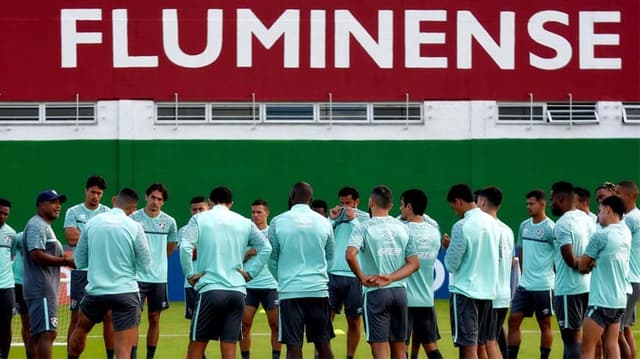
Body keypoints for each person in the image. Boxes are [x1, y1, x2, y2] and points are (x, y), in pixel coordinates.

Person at [180, 186, 271, 359]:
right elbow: (266, 248)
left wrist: (190, 274)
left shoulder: (199, 219)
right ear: (231, 203)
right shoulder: (245, 222)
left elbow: (185, 247)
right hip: (237, 292)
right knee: (229, 348)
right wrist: (250, 273)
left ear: (211, 202)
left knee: (196, 347)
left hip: (211, 290)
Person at [68, 188, 152, 359]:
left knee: (80, 329)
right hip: (126, 292)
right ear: (133, 209)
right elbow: (146, 264)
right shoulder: (135, 226)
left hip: (96, 291)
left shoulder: (91, 223)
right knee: (123, 350)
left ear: (114, 200)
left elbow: (80, 261)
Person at [346, 185, 419, 359]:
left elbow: (350, 254)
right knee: (400, 349)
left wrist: (362, 277)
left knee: (379, 351)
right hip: (400, 292)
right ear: (391, 205)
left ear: (371, 202)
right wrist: (391, 277)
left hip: (375, 291)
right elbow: (414, 263)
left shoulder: (363, 227)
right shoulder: (403, 227)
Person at [268, 182, 335, 359]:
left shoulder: (278, 221)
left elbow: (272, 258)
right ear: (311, 199)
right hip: (318, 290)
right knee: (323, 345)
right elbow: (331, 256)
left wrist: (283, 280)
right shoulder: (324, 222)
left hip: (290, 292)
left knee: (293, 346)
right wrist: (320, 276)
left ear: (291, 197)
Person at [441, 184, 500, 359]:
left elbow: (451, 264)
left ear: (458, 202)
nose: (454, 211)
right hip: (488, 292)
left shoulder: (462, 225)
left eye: (453, 207)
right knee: (481, 345)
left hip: (465, 292)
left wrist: (448, 247)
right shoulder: (493, 222)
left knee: (468, 349)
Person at [64, 176, 113, 358]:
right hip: (81, 271)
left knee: (109, 316)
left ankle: (110, 356)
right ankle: (71, 355)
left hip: (102, 272)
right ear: (86, 191)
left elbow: (109, 240)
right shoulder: (73, 212)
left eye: (99, 193)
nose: (95, 196)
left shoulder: (107, 213)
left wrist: (84, 236)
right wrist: (98, 237)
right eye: (92, 192)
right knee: (76, 317)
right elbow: (70, 238)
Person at [23, 189, 74, 359]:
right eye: (53, 202)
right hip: (42, 287)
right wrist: (65, 261)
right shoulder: (38, 225)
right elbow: (36, 254)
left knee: (39, 334)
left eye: (59, 202)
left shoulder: (43, 226)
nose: (58, 206)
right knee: (47, 333)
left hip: (43, 287)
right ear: (40, 205)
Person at [578, 195, 631, 358]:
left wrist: (591, 263)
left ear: (608, 210)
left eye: (600, 211)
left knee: (587, 348)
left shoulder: (601, 236)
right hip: (619, 300)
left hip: (600, 301)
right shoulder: (626, 232)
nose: (597, 215)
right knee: (611, 344)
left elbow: (582, 266)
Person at [130, 183, 177, 359]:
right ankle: (132, 355)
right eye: (153, 197)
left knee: (155, 318)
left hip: (158, 278)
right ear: (146, 197)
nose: (155, 201)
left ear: (163, 202)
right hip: (137, 277)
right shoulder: (134, 218)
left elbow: (171, 247)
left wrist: (157, 261)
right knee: (134, 319)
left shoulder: (170, 222)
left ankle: (150, 356)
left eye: (159, 199)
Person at [506, 189, 555, 359]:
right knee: (513, 320)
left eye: (531, 204)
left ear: (542, 204)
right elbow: (520, 249)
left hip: (543, 285)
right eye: (527, 203)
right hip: (525, 285)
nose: (528, 207)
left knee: (545, 325)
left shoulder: (550, 228)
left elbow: (558, 256)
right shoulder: (524, 225)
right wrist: (525, 272)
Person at [550, 181, 596, 359]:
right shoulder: (587, 219)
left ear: (561, 199)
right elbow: (594, 252)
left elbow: (570, 260)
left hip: (568, 290)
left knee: (571, 340)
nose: (551, 203)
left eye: (552, 199)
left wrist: (582, 264)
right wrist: (589, 264)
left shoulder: (562, 224)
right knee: (581, 339)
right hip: (588, 287)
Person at [398, 189, 442, 359]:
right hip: (426, 298)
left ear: (409, 206)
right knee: (431, 346)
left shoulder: (402, 230)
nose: (400, 209)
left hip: (405, 298)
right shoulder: (434, 232)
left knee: (401, 346)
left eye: (402, 205)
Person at [327, 186, 369, 359]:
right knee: (325, 320)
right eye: (342, 202)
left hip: (354, 277)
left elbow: (365, 240)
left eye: (349, 203)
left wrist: (353, 221)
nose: (345, 206)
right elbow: (324, 237)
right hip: (332, 275)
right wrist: (331, 220)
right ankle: (321, 354)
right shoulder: (335, 216)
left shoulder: (365, 218)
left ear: (357, 202)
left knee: (353, 321)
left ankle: (349, 356)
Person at [476, 186, 514, 358]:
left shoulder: (487, 229)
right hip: (503, 294)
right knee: (491, 340)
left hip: (489, 294)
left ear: (483, 202)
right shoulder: (507, 230)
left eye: (477, 202)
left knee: (484, 342)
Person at [240, 199, 281, 359]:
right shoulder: (245, 235)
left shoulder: (274, 234)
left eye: (259, 212)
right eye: (253, 212)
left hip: (271, 286)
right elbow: (236, 260)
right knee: (244, 325)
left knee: (276, 325)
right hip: (250, 286)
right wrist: (248, 253)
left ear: (267, 213)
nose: (255, 215)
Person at [616, 180, 640, 359]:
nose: (615, 197)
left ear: (631, 196)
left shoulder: (630, 220)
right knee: (625, 329)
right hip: (634, 278)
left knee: (616, 331)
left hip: (628, 280)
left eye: (618, 194)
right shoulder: (636, 216)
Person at [177, 197, 209, 324]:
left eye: (201, 209)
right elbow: (188, 254)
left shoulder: (215, 229)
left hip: (211, 280)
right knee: (195, 320)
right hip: (191, 282)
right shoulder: (184, 230)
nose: (197, 212)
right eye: (194, 209)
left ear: (208, 209)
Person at [0, 198, 17, 359]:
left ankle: (4, 356)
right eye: (0, 212)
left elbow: (12, 256)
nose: (3, 216)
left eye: (6, 214)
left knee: (6, 325)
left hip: (6, 288)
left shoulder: (11, 234)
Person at [12, 231, 30, 352]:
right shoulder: (19, 237)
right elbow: (9, 253)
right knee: (26, 323)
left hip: (36, 285)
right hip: (18, 284)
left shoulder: (46, 237)